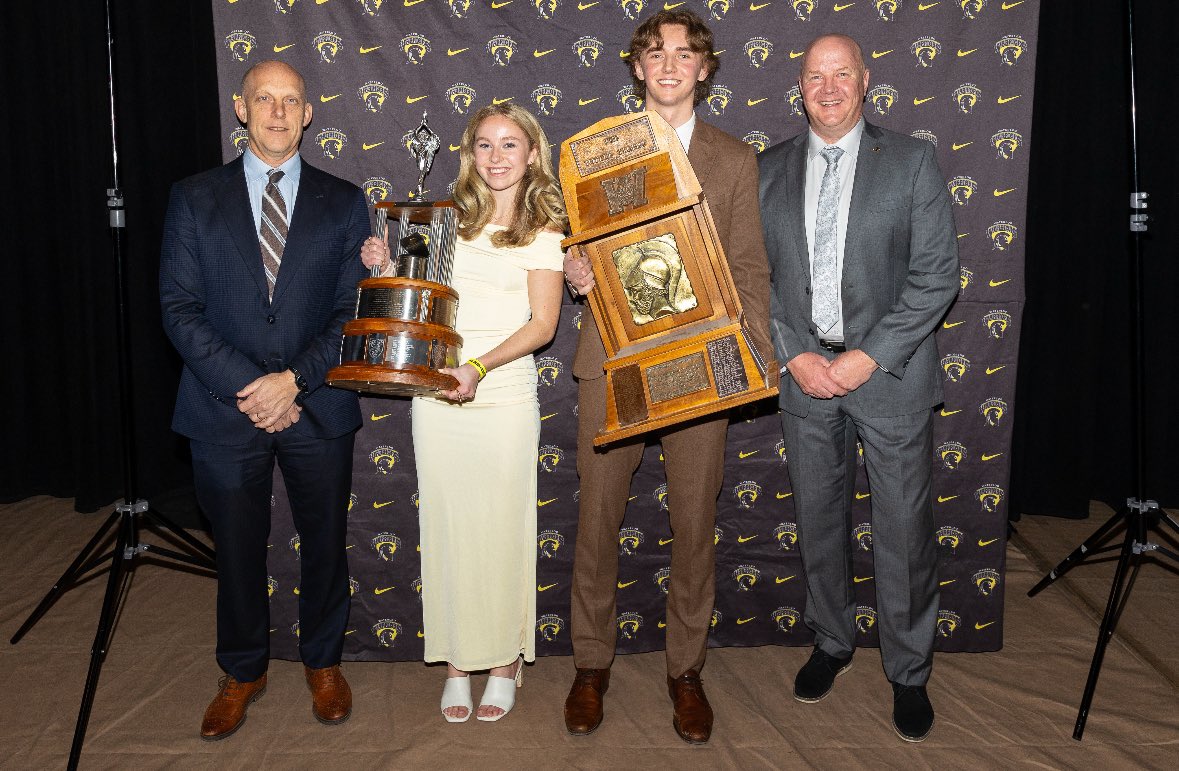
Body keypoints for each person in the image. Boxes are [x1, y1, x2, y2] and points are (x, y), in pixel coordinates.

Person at [561, 9, 772, 745]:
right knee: (596, 525)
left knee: (693, 526)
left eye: (684, 53)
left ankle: (685, 669)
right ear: (636, 67)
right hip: (611, 359)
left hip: (701, 367)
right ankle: (591, 663)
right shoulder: (595, 152)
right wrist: (576, 270)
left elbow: (748, 268)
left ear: (704, 69)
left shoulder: (735, 159)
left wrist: (749, 360)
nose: (669, 64)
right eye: (654, 53)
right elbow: (580, 248)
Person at [757, 34, 959, 742]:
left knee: (903, 531)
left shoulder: (910, 160)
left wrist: (866, 357)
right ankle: (832, 639)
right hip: (805, 377)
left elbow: (937, 275)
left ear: (865, 82)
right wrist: (795, 354)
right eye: (815, 75)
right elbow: (754, 280)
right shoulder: (768, 169)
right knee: (817, 518)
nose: (829, 86)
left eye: (841, 74)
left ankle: (908, 670)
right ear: (799, 86)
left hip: (889, 375)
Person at [159, 60, 368, 740]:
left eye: (290, 101)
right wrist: (255, 387)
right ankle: (242, 668)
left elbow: (350, 310)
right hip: (224, 407)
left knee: (325, 545)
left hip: (318, 405)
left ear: (308, 112)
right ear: (240, 109)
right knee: (238, 549)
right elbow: (179, 308)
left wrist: (294, 381)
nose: (277, 111)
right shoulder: (193, 197)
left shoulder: (343, 201)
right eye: (262, 99)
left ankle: (323, 661)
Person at [361, 103, 566, 723]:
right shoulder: (445, 219)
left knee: (501, 528)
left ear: (533, 153)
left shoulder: (545, 230)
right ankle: (455, 661)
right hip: (437, 394)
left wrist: (477, 369)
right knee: (448, 528)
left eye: (510, 145)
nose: (496, 157)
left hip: (500, 394)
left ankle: (503, 661)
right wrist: (385, 267)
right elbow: (425, 296)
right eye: (485, 145)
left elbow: (544, 324)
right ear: (469, 153)